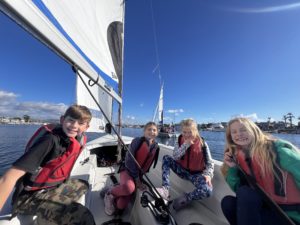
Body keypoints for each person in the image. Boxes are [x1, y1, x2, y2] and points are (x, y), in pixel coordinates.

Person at [0, 104, 95, 225]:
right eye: (71, 120)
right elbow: (9, 177)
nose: (74, 126)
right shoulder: (49, 141)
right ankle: (52, 212)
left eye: (81, 123)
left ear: (87, 127)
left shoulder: (75, 139)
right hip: (28, 198)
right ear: (62, 120)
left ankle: (49, 215)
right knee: (82, 215)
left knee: (83, 184)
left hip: (50, 189)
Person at [221, 117, 300, 225]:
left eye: (243, 129)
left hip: (289, 216)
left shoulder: (279, 152)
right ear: (231, 137)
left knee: (245, 193)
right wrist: (233, 168)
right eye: (234, 132)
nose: (239, 134)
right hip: (266, 208)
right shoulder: (237, 157)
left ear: (253, 130)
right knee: (228, 203)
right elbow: (237, 189)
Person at [102, 122, 160, 216]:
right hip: (127, 171)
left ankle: (116, 187)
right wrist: (137, 180)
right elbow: (129, 162)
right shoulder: (137, 141)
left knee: (121, 204)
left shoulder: (155, 147)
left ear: (157, 133)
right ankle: (109, 194)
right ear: (144, 131)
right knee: (129, 188)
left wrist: (139, 179)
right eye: (149, 129)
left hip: (138, 175)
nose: (151, 131)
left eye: (154, 130)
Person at [156, 118, 214, 211]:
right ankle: (165, 189)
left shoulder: (203, 143)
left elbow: (210, 163)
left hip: (195, 175)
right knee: (166, 158)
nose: (186, 135)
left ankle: (185, 198)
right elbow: (175, 156)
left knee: (208, 190)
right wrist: (185, 145)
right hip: (182, 170)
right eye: (184, 132)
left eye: (190, 132)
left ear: (195, 131)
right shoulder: (179, 140)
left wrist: (208, 174)